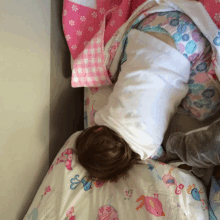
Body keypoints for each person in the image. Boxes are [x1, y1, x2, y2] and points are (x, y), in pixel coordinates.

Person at [74, 11, 216, 182]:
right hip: (150, 26)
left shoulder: (147, 149)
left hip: (188, 42)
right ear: (96, 130)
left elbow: (163, 159)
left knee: (204, 111)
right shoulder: (102, 117)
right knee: (129, 66)